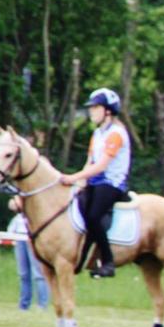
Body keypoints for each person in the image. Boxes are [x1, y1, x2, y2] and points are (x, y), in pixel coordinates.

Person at [60, 87, 130, 278]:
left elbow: (101, 166)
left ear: (108, 110)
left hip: (111, 183)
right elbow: (89, 162)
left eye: (96, 107)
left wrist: (73, 177)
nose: (91, 111)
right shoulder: (98, 134)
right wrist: (79, 182)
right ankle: (80, 259)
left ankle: (108, 262)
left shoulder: (116, 133)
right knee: (77, 207)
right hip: (94, 182)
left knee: (93, 216)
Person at [6, 196, 49, 310]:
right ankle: (24, 304)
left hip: (32, 237)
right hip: (19, 237)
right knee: (24, 274)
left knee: (38, 274)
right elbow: (13, 204)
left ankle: (42, 304)